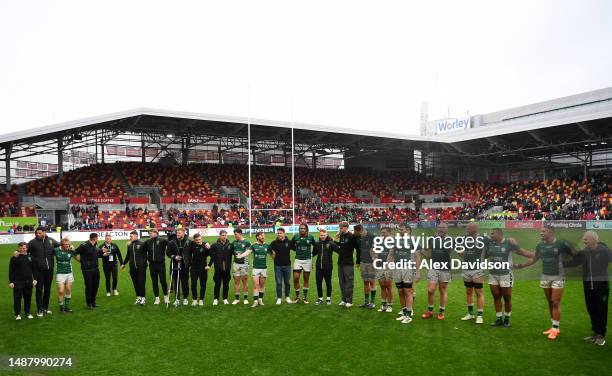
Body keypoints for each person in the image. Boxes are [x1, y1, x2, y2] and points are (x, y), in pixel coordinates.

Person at [516, 226, 575, 340]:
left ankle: (555, 329)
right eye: (541, 231)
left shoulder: (561, 244)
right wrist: (520, 266)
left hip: (558, 276)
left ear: (551, 232)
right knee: (550, 302)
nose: (541, 233)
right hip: (545, 276)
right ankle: (554, 327)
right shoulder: (540, 245)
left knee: (555, 301)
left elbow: (575, 255)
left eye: (544, 231)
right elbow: (534, 259)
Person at [563, 230, 611, 346]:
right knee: (591, 309)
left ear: (593, 240)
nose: (583, 241)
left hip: (601, 286)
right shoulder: (585, 252)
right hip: (588, 286)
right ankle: (595, 332)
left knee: (601, 310)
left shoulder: (604, 251)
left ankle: (601, 335)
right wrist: (560, 263)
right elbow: (574, 262)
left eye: (585, 239)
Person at [484, 228, 531, 327]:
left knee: (507, 298)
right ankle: (498, 318)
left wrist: (534, 255)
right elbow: (485, 256)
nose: (491, 235)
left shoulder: (509, 243)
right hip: (493, 274)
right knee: (496, 296)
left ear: (499, 234)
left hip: (506, 274)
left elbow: (521, 251)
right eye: (490, 234)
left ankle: (507, 318)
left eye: (492, 234)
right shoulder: (490, 243)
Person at [421, 222, 454, 320]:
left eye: (443, 227)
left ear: (447, 229)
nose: (441, 229)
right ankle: (430, 311)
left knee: (442, 290)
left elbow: (449, 250)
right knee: (430, 290)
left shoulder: (451, 240)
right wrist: (429, 256)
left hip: (445, 267)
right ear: (437, 228)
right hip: (433, 267)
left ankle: (441, 312)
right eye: (440, 227)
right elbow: (425, 249)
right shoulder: (432, 239)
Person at [389, 224, 420, 324]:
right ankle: (403, 312)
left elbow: (417, 256)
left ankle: (408, 315)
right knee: (400, 291)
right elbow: (391, 254)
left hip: (407, 267)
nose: (400, 231)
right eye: (399, 229)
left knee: (408, 291)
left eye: (402, 230)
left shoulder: (412, 240)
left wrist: (418, 272)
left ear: (407, 230)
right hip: (397, 267)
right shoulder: (395, 239)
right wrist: (386, 268)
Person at [458, 222, 487, 324]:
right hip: (466, 268)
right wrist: (461, 254)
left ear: (475, 229)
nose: (467, 229)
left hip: (478, 269)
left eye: (469, 228)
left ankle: (479, 316)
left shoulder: (483, 239)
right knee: (469, 291)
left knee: (479, 292)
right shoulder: (464, 238)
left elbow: (489, 251)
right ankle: (470, 314)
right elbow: (460, 251)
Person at [27, 226, 59, 316]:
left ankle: (45, 308)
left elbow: (61, 246)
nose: (38, 235)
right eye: (36, 233)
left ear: (44, 232)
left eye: (40, 233)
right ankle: (39, 310)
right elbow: (24, 250)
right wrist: (17, 253)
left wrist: (69, 245)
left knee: (48, 290)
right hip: (38, 271)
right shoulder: (33, 242)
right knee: (39, 290)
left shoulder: (51, 241)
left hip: (49, 270)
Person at [236, 231, 273, 307]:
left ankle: (260, 300)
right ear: (257, 237)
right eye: (261, 235)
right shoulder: (254, 245)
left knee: (262, 285)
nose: (263, 236)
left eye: (264, 235)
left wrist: (277, 259)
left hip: (264, 268)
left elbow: (272, 255)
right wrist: (240, 256)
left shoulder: (267, 246)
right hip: (256, 268)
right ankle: (255, 301)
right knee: (256, 285)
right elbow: (247, 252)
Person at [74, 233, 108, 309]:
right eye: (97, 238)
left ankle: (93, 302)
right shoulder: (84, 245)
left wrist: (103, 254)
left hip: (96, 269)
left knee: (96, 286)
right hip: (87, 270)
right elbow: (74, 252)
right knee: (89, 286)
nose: (97, 239)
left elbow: (96, 255)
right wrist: (81, 261)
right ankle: (89, 303)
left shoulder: (95, 245)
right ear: (95, 238)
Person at [9, 242, 37, 320]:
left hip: (29, 281)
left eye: (24, 248)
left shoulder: (30, 257)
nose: (22, 249)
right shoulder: (14, 258)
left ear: (27, 248)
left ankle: (27, 313)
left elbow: (34, 269)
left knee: (28, 298)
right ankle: (17, 314)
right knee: (17, 298)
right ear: (18, 248)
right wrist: (11, 281)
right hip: (18, 281)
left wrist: (35, 279)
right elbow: (11, 270)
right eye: (21, 248)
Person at [312, 228, 340, 305]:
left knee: (328, 282)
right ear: (319, 235)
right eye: (321, 235)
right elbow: (313, 253)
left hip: (328, 267)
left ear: (326, 235)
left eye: (324, 235)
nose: (322, 236)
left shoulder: (331, 243)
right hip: (318, 267)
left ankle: (328, 298)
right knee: (318, 282)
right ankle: (320, 298)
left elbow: (339, 251)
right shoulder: (317, 243)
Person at [335, 221, 358, 307]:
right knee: (342, 282)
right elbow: (340, 245)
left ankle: (349, 301)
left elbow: (357, 247)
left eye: (341, 228)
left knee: (349, 282)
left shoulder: (352, 236)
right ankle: (343, 299)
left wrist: (358, 259)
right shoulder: (341, 236)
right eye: (339, 228)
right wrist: (336, 238)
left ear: (346, 227)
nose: (340, 229)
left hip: (348, 263)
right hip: (340, 262)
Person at [143, 229, 169, 305]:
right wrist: (131, 243)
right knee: (154, 282)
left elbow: (171, 244)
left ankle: (166, 296)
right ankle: (157, 298)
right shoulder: (147, 242)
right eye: (149, 233)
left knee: (163, 281)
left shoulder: (162, 240)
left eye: (151, 233)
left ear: (156, 233)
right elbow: (141, 249)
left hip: (161, 264)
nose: (150, 234)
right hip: (152, 265)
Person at [208, 229, 234, 305]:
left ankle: (225, 298)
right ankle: (216, 299)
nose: (224, 237)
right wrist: (209, 265)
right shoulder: (214, 245)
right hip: (218, 268)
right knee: (217, 284)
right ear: (219, 236)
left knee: (226, 284)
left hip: (227, 268)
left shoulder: (230, 245)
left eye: (225, 235)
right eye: (223, 235)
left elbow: (235, 254)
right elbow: (211, 256)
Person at [121, 231, 147, 305]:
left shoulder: (142, 244)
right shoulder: (129, 245)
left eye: (131, 236)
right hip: (132, 268)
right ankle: (138, 297)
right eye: (130, 236)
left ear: (136, 236)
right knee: (135, 283)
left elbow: (146, 255)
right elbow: (128, 256)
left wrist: (144, 265)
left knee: (141, 283)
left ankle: (143, 297)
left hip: (141, 268)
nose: (130, 238)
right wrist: (123, 264)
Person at [291, 223, 315, 304]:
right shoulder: (295, 236)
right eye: (301, 228)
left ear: (306, 229)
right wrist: (296, 250)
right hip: (298, 259)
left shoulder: (311, 237)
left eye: (304, 228)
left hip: (307, 260)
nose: (302, 230)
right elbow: (291, 245)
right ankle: (297, 297)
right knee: (295, 278)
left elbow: (316, 245)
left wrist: (312, 254)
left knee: (306, 278)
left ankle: (304, 297)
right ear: (299, 229)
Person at [167, 227, 191, 306]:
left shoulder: (188, 242)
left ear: (184, 233)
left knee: (185, 282)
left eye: (180, 233)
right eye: (177, 233)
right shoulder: (172, 242)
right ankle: (177, 299)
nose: (178, 234)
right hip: (175, 264)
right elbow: (168, 253)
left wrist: (206, 244)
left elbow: (196, 247)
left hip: (185, 265)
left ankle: (185, 298)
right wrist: (174, 257)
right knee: (175, 282)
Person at [354, 224, 376, 309]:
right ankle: (366, 302)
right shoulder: (358, 237)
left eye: (355, 232)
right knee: (365, 282)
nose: (355, 233)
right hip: (363, 262)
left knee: (372, 281)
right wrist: (358, 262)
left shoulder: (371, 236)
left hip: (371, 263)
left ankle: (372, 302)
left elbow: (377, 249)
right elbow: (358, 250)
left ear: (360, 230)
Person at [270, 227, 293, 305]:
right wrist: (273, 257)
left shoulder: (289, 242)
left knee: (287, 282)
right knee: (279, 283)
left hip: (287, 266)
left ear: (284, 233)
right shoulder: (274, 243)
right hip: (277, 266)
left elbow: (296, 248)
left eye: (280, 233)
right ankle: (279, 298)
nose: (279, 234)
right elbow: (268, 250)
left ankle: (287, 297)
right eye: (278, 233)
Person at [374, 227, 394, 313]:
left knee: (388, 286)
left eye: (384, 233)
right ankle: (383, 304)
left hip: (389, 267)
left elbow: (393, 255)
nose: (382, 234)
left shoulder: (393, 242)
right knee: (382, 286)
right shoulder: (380, 241)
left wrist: (388, 267)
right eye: (381, 233)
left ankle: (390, 305)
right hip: (380, 266)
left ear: (389, 232)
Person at [188, 233, 211, 306]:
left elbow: (212, 255)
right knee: (193, 284)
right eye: (196, 240)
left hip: (203, 268)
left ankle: (201, 299)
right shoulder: (192, 245)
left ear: (202, 238)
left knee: (203, 284)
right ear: (194, 240)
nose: (198, 241)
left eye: (199, 239)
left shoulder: (206, 245)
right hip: (194, 268)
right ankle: (194, 300)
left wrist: (209, 265)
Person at [54, 238, 75, 313]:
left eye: (68, 244)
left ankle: (67, 307)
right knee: (60, 291)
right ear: (62, 244)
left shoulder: (71, 250)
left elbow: (77, 256)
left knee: (68, 290)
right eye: (65, 244)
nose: (67, 246)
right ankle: (61, 307)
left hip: (69, 272)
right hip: (60, 273)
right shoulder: (56, 250)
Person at [230, 228, 251, 305]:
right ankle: (237, 299)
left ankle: (245, 298)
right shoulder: (234, 242)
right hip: (235, 264)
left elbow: (250, 251)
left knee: (245, 281)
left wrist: (242, 255)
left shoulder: (247, 242)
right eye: (234, 234)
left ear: (240, 234)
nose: (234, 236)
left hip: (244, 264)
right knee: (236, 281)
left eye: (235, 234)